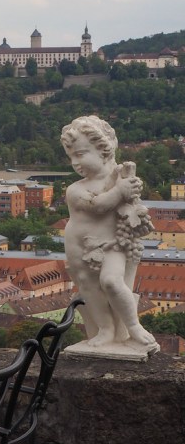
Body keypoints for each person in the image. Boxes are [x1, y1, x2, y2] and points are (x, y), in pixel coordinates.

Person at [61, 115, 158, 352]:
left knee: (112, 282)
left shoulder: (122, 177)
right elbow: (98, 205)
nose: (75, 162)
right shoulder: (76, 189)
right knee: (90, 289)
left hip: (113, 244)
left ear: (103, 150)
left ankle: (133, 326)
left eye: (81, 154)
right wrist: (120, 191)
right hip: (79, 248)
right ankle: (105, 330)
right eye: (71, 156)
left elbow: (133, 213)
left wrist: (129, 192)